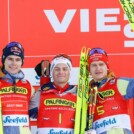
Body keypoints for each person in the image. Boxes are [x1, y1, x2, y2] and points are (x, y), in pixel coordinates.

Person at [88, 47, 134, 134]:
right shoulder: (86, 93)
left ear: (107, 66)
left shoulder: (118, 83)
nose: (98, 68)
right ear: (89, 69)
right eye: (94, 65)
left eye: (101, 64)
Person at [29, 54, 77, 134]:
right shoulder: (41, 93)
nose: (61, 72)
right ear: (52, 72)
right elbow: (23, 112)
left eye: (65, 69)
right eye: (57, 69)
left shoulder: (77, 93)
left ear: (70, 72)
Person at [0, 41, 35, 134]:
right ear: (4, 60)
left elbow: (38, 109)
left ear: (22, 62)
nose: (14, 63)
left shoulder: (28, 86)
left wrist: (45, 81)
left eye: (18, 59)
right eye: (10, 59)